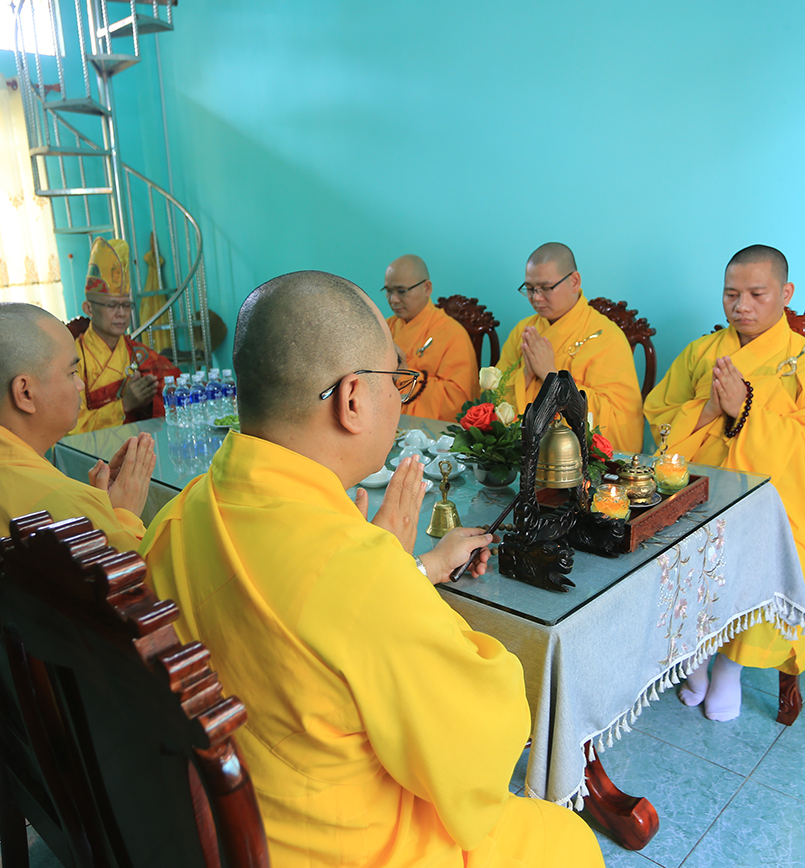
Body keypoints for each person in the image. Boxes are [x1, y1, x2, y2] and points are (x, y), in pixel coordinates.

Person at [139, 271, 604, 867]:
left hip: (226, 830)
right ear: (353, 398)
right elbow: (483, 741)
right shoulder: (361, 576)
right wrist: (391, 576)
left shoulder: (177, 517)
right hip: (346, 850)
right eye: (397, 381)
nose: (401, 400)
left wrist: (394, 569)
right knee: (567, 840)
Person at [643, 245, 805, 721]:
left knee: (768, 549)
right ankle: (694, 655)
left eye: (757, 294)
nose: (741, 306)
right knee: (666, 541)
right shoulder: (701, 353)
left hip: (777, 502)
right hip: (699, 492)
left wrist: (746, 410)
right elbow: (659, 420)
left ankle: (730, 669)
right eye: (731, 294)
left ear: (785, 293)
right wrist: (707, 409)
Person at [0, 302, 156, 553]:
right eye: (72, 373)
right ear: (25, 392)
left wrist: (98, 508)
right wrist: (120, 516)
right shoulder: (65, 507)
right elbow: (138, 572)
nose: (80, 385)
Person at [496, 243, 643, 452]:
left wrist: (551, 376)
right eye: (529, 289)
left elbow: (619, 418)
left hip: (573, 458)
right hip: (519, 451)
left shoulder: (607, 337)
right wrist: (526, 375)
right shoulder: (524, 331)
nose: (536, 297)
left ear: (574, 281)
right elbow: (495, 398)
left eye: (546, 288)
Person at [72, 236, 181, 433]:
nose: (121, 313)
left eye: (126, 305)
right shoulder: (73, 360)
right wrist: (124, 405)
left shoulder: (140, 355)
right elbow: (71, 427)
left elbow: (177, 392)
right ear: (88, 308)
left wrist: (150, 400)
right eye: (112, 305)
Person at [382, 254, 479, 420]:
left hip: (429, 429)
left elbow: (457, 402)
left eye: (401, 291)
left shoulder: (453, 334)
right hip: (384, 422)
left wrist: (402, 374)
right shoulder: (384, 327)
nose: (393, 299)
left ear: (427, 288)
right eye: (388, 291)